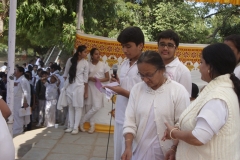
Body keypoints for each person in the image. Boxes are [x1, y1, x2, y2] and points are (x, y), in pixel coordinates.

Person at [162, 43, 240, 160]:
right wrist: (174, 147)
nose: (199, 66)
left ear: (211, 67)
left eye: (202, 62)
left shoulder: (218, 97)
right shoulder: (217, 90)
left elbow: (199, 137)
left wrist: (174, 133)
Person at [121, 51, 190, 160]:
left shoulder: (178, 91)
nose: (145, 79)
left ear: (162, 70)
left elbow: (182, 125)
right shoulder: (137, 90)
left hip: (167, 154)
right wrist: (128, 148)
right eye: (141, 75)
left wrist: (173, 148)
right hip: (139, 150)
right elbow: (129, 121)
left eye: (149, 75)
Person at [104, 26, 144, 160]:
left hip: (135, 119)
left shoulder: (145, 65)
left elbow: (144, 95)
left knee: (132, 153)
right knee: (119, 152)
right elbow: (128, 86)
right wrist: (117, 84)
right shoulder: (125, 63)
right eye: (123, 46)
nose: (125, 50)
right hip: (121, 114)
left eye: (128, 46)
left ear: (140, 46)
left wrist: (121, 91)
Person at [80, 48, 110, 133]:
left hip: (98, 87)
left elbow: (108, 78)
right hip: (89, 86)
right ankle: (92, 126)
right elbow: (82, 77)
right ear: (92, 56)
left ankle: (82, 121)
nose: (98, 55)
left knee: (96, 106)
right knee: (89, 106)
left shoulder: (103, 65)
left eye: (99, 54)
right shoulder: (87, 64)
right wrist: (89, 78)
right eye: (96, 54)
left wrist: (98, 80)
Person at [61, 45, 89, 135]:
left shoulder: (85, 63)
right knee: (71, 107)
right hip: (70, 86)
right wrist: (66, 86)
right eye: (84, 52)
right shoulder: (70, 60)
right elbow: (65, 74)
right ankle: (70, 126)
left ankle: (75, 127)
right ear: (79, 53)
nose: (86, 53)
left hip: (79, 87)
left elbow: (86, 79)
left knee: (77, 107)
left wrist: (86, 92)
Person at [157, 29, 192, 96]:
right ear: (158, 46)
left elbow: (185, 98)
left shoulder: (183, 71)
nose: (165, 48)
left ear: (176, 48)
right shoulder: (153, 66)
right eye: (162, 44)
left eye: (170, 45)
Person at [13, 66, 31, 135]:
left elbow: (26, 92)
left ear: (21, 72)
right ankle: (14, 131)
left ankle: (18, 132)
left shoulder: (23, 80)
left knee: (19, 117)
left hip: (20, 101)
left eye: (16, 70)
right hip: (14, 102)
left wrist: (25, 102)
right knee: (14, 117)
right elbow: (9, 79)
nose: (15, 72)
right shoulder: (14, 78)